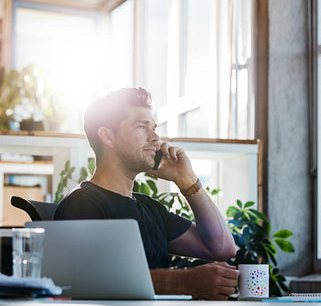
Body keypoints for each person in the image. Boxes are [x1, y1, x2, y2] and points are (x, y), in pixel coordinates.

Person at [54, 87, 238, 300]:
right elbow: (87, 279)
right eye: (141, 126)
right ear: (107, 136)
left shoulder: (150, 208)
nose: (155, 137)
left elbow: (222, 247)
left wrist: (186, 180)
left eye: (154, 127)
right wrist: (185, 282)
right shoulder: (83, 203)